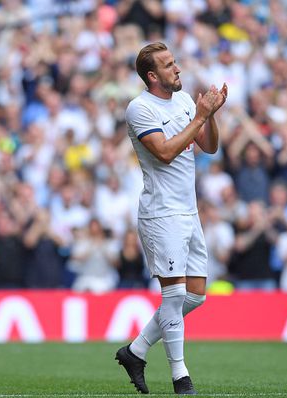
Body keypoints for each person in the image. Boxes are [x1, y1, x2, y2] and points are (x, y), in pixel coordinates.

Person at [115, 42, 227, 395]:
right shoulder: (140, 109)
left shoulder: (182, 102)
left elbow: (209, 147)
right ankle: (181, 379)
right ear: (152, 76)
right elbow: (163, 152)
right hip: (161, 213)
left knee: (195, 296)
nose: (177, 69)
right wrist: (198, 117)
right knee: (175, 295)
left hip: (188, 210)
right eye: (168, 65)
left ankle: (135, 351)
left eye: (175, 62)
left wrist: (209, 115)